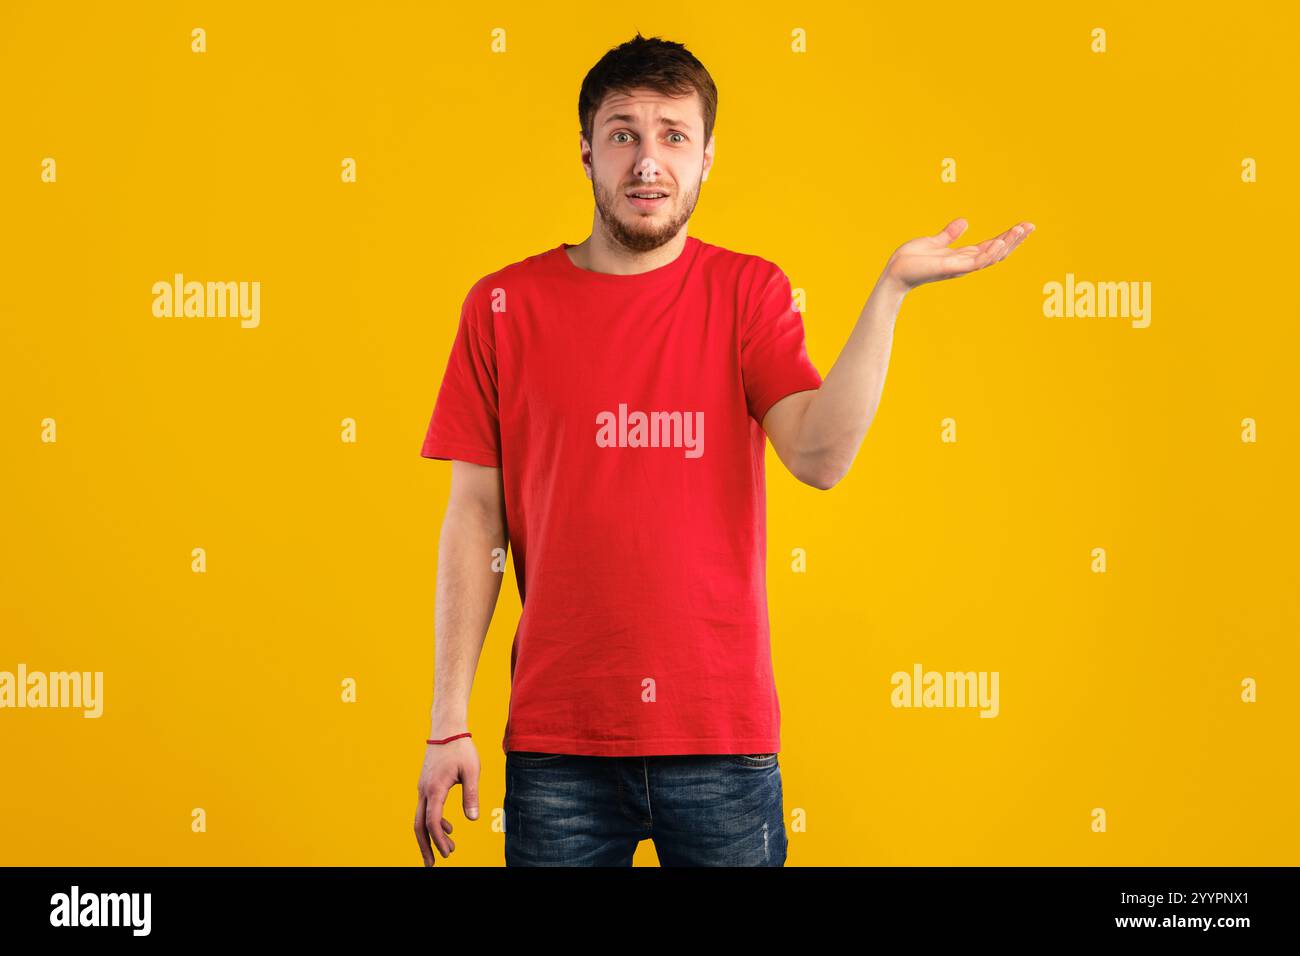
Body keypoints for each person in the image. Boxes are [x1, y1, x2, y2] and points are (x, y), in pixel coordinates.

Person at [413, 32, 1033, 867]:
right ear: (587, 151)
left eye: (673, 135)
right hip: (559, 744)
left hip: (719, 739)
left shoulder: (748, 292)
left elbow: (819, 456)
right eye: (624, 132)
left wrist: (889, 295)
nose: (647, 161)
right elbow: (474, 518)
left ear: (708, 158)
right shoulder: (502, 306)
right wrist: (448, 718)